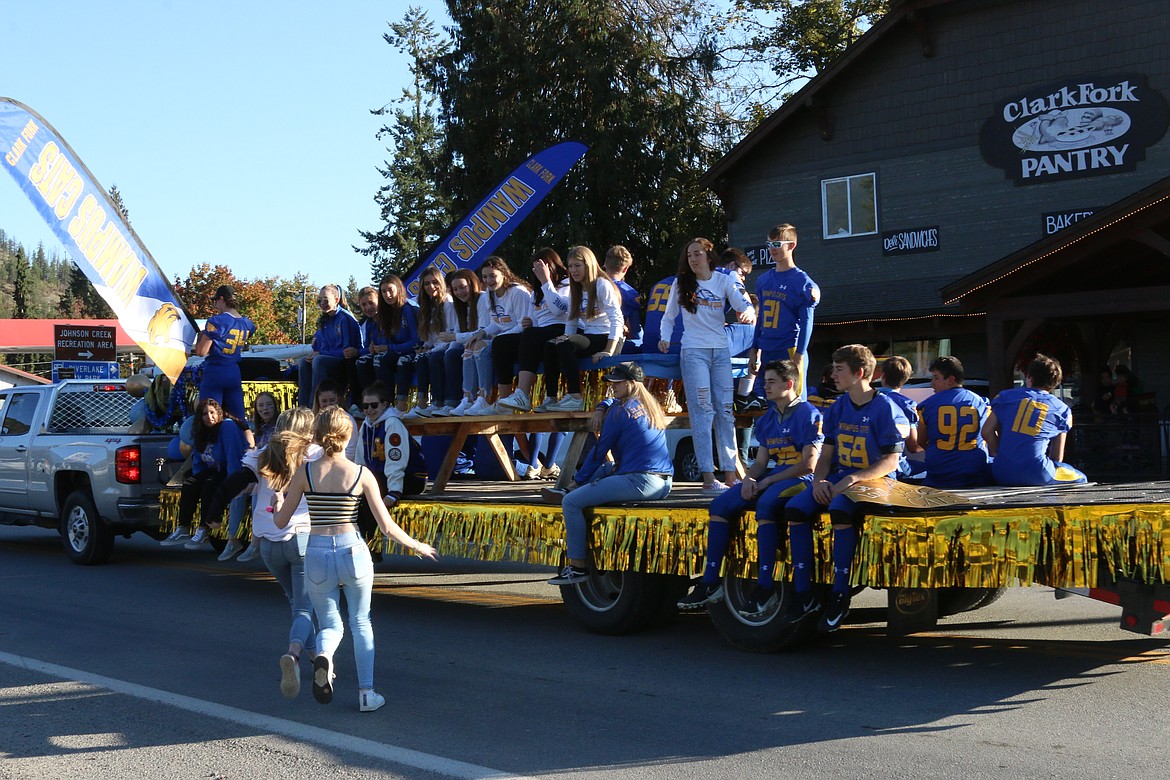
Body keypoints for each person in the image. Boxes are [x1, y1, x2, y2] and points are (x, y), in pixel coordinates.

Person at [272, 407, 437, 712]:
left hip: (317, 551)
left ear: (318, 437)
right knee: (361, 621)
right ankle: (366, 693)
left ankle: (325, 657)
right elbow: (386, 526)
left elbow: (281, 521)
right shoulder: (362, 474)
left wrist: (278, 501)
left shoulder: (305, 473)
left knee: (330, 624)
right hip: (353, 550)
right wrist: (417, 545)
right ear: (349, 436)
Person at [677, 360, 823, 615]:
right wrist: (749, 480)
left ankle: (764, 586)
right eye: (764, 381)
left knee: (766, 505)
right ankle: (710, 581)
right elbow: (762, 462)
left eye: (770, 382)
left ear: (789, 384)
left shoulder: (808, 413)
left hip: (800, 479)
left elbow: (809, 465)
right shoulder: (768, 418)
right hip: (776, 475)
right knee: (720, 504)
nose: (764, 386)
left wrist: (766, 481)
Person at [782, 344, 910, 632]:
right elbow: (826, 454)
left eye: (839, 369)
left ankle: (840, 593)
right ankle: (805, 594)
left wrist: (853, 480)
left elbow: (891, 460)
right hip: (840, 478)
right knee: (796, 508)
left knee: (840, 511)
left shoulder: (885, 407)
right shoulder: (838, 406)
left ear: (860, 373)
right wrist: (818, 482)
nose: (833, 374)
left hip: (873, 480)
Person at [205, 407, 320, 697]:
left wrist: (214, 511)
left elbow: (233, 482)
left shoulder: (262, 454)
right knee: (305, 608)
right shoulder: (314, 454)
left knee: (297, 604)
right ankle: (293, 655)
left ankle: (317, 661)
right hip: (302, 537)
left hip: (269, 543)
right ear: (308, 430)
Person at [547, 362, 672, 584]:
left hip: (640, 481)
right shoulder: (650, 404)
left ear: (631, 384)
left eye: (617, 382)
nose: (612, 385)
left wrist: (578, 480)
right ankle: (573, 489)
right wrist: (602, 406)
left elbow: (598, 451)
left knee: (571, 503)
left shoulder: (620, 411)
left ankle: (577, 567)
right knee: (607, 469)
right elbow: (612, 402)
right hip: (662, 483)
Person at [659, 237, 756, 493]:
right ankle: (708, 477)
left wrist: (747, 312)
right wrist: (665, 339)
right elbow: (668, 317)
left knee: (725, 410)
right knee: (703, 410)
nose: (692, 259)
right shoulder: (681, 284)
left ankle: (731, 474)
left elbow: (744, 304)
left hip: (720, 351)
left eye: (698, 254)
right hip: (693, 352)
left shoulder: (724, 280)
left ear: (709, 256)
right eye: (689, 254)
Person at [982, 354, 1087, 487]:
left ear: (1029, 378)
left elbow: (986, 431)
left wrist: (1002, 454)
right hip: (1036, 473)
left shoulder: (1005, 397)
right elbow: (1057, 456)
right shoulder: (1062, 409)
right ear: (1054, 384)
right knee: (1081, 478)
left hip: (1002, 472)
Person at [543, 246, 624, 412]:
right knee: (552, 344)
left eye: (577, 265)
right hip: (590, 337)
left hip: (607, 338)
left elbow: (617, 319)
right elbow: (571, 321)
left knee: (563, 343)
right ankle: (551, 397)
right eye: (570, 266)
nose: (573, 270)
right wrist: (563, 343)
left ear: (588, 265)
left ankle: (575, 396)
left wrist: (609, 350)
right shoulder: (577, 289)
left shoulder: (602, 285)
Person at [352, 381, 427, 553]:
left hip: (410, 478)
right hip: (383, 478)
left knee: (371, 493)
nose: (369, 410)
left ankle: (374, 546)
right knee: (359, 495)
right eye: (365, 406)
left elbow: (396, 461)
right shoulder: (366, 424)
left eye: (374, 405)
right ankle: (365, 541)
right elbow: (360, 458)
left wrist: (394, 492)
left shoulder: (392, 424)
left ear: (385, 404)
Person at [497, 248, 571, 413]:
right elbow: (534, 319)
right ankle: (504, 401)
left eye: (541, 268)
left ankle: (522, 394)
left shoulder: (566, 285)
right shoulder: (536, 293)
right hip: (540, 333)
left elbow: (559, 310)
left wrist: (546, 282)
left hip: (561, 329)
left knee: (531, 335)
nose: (537, 273)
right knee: (501, 343)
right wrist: (528, 322)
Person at [172, 398, 253, 551]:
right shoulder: (200, 432)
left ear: (219, 413)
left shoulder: (227, 427)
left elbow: (233, 458)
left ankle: (204, 529)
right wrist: (197, 480)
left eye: (212, 413)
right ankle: (183, 527)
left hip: (235, 470)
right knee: (190, 483)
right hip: (215, 469)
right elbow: (198, 461)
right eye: (204, 414)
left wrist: (231, 486)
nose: (209, 417)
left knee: (209, 485)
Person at [750, 224, 820, 398]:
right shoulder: (763, 280)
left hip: (789, 348)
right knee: (770, 400)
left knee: (794, 400)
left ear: (791, 245)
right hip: (767, 348)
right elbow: (761, 318)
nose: (772, 249)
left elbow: (806, 322)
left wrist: (800, 355)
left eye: (776, 244)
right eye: (769, 244)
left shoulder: (802, 282)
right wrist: (754, 349)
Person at [467, 256, 532, 415]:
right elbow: (496, 323)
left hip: (523, 338)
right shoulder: (490, 293)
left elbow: (524, 325)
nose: (488, 280)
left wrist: (500, 336)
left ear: (504, 274)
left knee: (496, 345)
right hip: (505, 339)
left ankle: (499, 398)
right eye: (485, 277)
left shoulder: (517, 292)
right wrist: (481, 333)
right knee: (471, 348)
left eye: (492, 276)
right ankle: (472, 399)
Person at [916, 356, 992, 488]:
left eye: (936, 378)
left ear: (951, 379)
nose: (932, 383)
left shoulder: (928, 405)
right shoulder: (980, 403)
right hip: (973, 473)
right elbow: (988, 434)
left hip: (939, 475)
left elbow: (921, 441)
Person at [195, 285, 256, 421]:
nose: (215, 304)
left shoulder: (217, 321)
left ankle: (211, 442)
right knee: (238, 419)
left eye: (215, 301)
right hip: (234, 371)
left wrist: (202, 335)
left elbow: (201, 351)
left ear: (222, 299)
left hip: (215, 372)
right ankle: (246, 442)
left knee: (209, 418)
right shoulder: (247, 324)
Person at [299, 284, 361, 408]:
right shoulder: (325, 320)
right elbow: (320, 345)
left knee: (318, 360)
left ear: (336, 300)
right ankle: (303, 408)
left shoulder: (345, 319)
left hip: (345, 364)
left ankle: (314, 407)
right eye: (319, 300)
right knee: (303, 362)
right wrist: (316, 351)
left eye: (326, 300)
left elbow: (346, 352)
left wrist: (321, 353)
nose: (322, 303)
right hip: (329, 358)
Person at [404, 267, 452, 417]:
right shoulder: (426, 306)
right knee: (419, 358)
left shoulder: (448, 303)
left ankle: (439, 403)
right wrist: (425, 346)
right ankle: (422, 403)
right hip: (435, 347)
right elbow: (430, 337)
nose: (431, 287)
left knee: (433, 358)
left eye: (434, 282)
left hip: (448, 345)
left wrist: (433, 348)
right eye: (426, 284)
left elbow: (450, 332)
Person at [441, 269, 491, 416]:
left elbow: (482, 331)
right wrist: (450, 347)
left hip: (488, 341)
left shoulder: (482, 298)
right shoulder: (460, 306)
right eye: (455, 289)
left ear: (472, 284)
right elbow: (457, 332)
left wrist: (454, 338)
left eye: (463, 287)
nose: (459, 292)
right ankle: (465, 399)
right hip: (469, 345)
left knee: (472, 349)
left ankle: (482, 397)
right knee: (449, 355)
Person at [721, 248, 763, 412]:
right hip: (707, 343)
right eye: (743, 273)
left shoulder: (702, 276)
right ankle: (744, 396)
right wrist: (750, 312)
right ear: (732, 266)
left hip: (686, 340)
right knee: (757, 332)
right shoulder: (730, 275)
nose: (744, 278)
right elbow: (747, 307)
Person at [374, 275, 420, 412]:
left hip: (414, 352)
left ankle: (401, 406)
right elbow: (386, 340)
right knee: (377, 360)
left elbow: (416, 341)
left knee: (402, 361)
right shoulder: (385, 312)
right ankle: (384, 404)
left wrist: (389, 347)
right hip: (396, 351)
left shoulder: (409, 308)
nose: (387, 295)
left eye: (390, 290)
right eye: (383, 291)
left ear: (399, 289)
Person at [878, 356, 924, 480]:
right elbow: (913, 447)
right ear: (906, 379)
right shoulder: (907, 404)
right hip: (895, 466)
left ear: (882, 375)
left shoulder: (868, 399)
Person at [604, 245, 643, 354]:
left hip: (590, 339)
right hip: (614, 342)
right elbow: (635, 331)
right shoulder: (629, 293)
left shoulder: (592, 286)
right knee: (641, 344)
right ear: (626, 269)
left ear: (605, 264)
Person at [352, 286, 387, 403]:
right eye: (364, 305)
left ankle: (385, 401)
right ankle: (366, 401)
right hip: (376, 355)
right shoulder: (369, 323)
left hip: (391, 354)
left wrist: (385, 347)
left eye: (371, 303)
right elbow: (367, 347)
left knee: (379, 360)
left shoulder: (388, 318)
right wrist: (367, 350)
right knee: (360, 362)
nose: (368, 307)